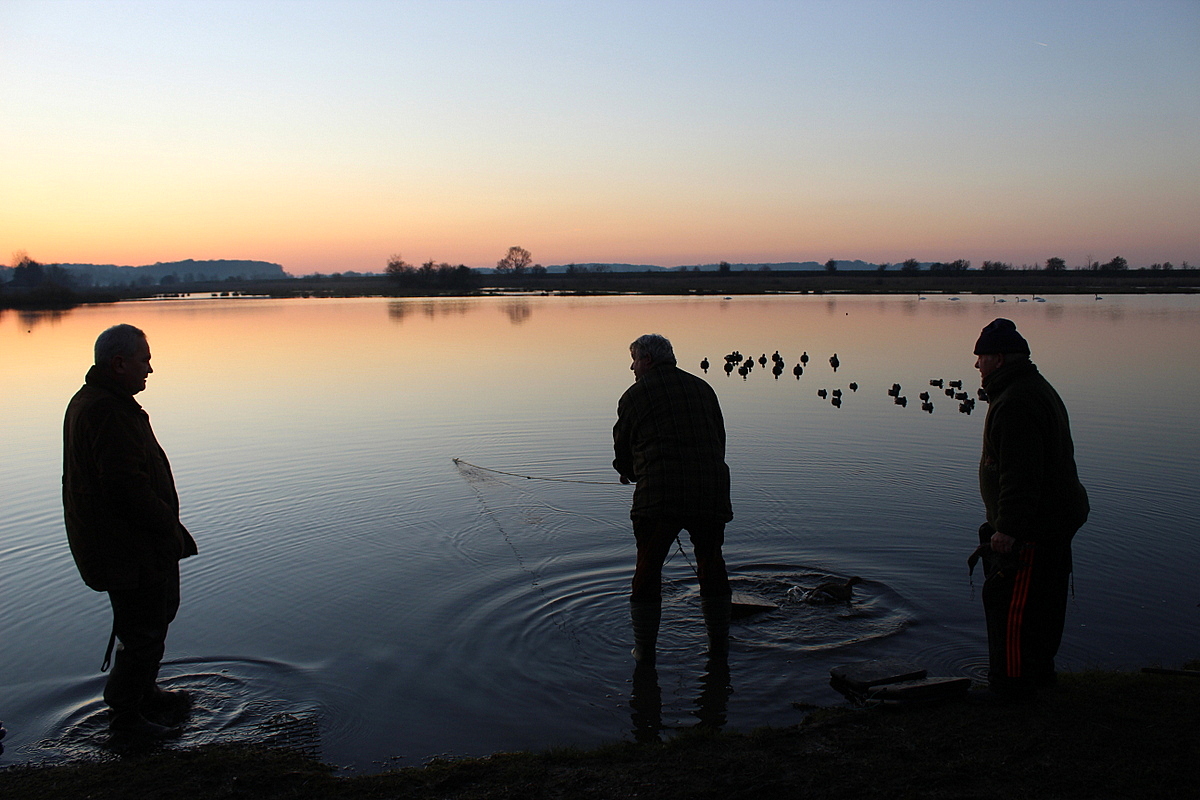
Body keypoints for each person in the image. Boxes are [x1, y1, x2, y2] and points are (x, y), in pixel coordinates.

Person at [63, 324, 198, 736]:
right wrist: (167, 527)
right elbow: (125, 487)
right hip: (126, 546)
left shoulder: (102, 401)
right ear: (119, 364)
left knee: (148, 620)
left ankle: (144, 693)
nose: (150, 370)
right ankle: (126, 718)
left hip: (125, 543)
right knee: (144, 627)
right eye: (145, 360)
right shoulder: (105, 409)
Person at [973, 318, 1088, 701]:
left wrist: (1007, 529)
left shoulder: (1015, 402)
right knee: (1044, 602)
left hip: (1034, 528)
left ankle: (1012, 685)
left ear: (1000, 359)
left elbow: (1020, 475)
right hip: (1054, 518)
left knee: (1013, 605)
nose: (976, 365)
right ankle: (1040, 675)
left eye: (982, 357)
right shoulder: (1032, 388)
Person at [613, 334, 733, 666]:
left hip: (659, 497)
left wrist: (628, 471)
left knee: (648, 568)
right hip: (710, 490)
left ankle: (645, 652)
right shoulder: (703, 389)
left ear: (648, 361)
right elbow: (718, 440)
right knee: (711, 562)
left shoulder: (635, 395)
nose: (632, 366)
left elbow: (623, 447)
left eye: (634, 359)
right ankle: (719, 645)